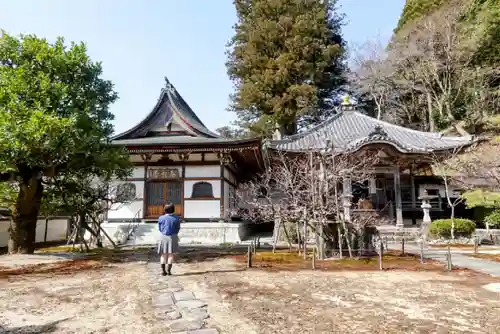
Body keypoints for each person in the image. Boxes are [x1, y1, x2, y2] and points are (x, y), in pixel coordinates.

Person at [157, 203, 181, 276]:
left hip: (163, 236)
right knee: (171, 255)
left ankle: (163, 271)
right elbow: (177, 229)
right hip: (173, 237)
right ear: (173, 210)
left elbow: (160, 228)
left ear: (165, 210)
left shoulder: (160, 218)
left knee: (163, 255)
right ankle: (169, 271)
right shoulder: (176, 218)